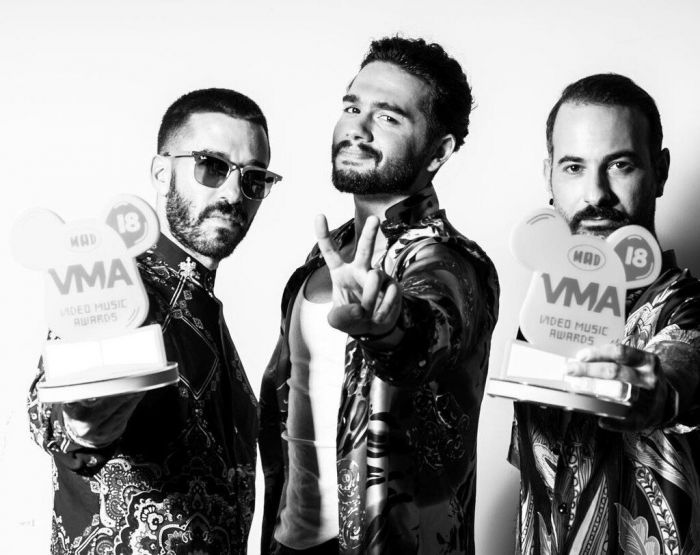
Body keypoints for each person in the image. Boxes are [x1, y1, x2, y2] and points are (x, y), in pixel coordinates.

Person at [259, 36, 499, 555]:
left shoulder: (452, 261)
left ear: (439, 151)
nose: (358, 127)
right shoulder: (327, 254)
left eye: (387, 117)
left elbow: (431, 324)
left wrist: (388, 326)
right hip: (291, 541)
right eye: (352, 107)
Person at [28, 88, 282, 554]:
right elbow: (57, 406)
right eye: (212, 166)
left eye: (253, 179)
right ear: (162, 173)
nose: (232, 193)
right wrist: (84, 424)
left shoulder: (208, 312)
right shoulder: (117, 286)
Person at [510, 74, 700, 554]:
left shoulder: (687, 306)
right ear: (549, 176)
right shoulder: (541, 314)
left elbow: (681, 360)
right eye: (574, 167)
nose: (596, 194)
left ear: (660, 171)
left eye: (619, 165)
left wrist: (660, 392)